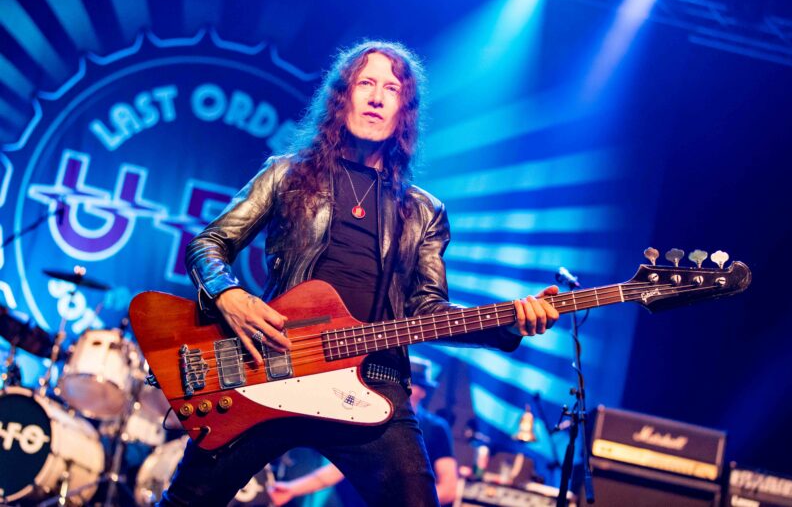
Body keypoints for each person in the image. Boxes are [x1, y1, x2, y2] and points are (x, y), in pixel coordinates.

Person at [161, 40, 559, 506]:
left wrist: (508, 323)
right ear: (342, 96)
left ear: (403, 111)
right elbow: (208, 244)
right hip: (271, 367)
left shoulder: (424, 212)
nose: (376, 97)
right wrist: (228, 294)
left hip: (374, 379)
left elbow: (429, 311)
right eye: (366, 83)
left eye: (391, 89)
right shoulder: (286, 175)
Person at [268, 357, 458, 506]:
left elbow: (449, 488)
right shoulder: (373, 418)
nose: (399, 387)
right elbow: (335, 472)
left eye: (408, 382)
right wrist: (291, 489)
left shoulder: (436, 428)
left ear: (423, 391)